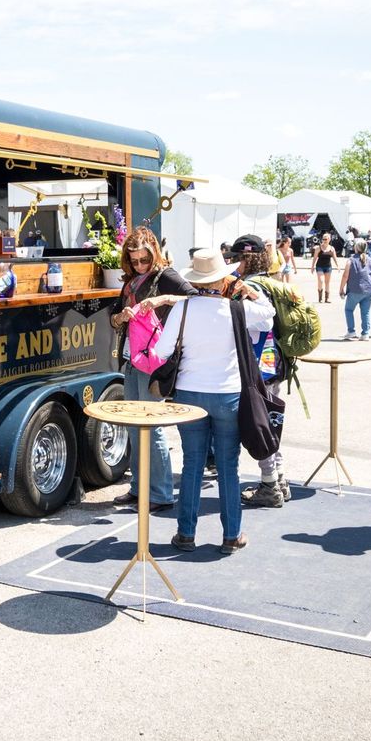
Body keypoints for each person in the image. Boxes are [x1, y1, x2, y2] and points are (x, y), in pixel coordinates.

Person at [152, 248, 262, 554]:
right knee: (229, 467)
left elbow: (160, 352)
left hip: (189, 395)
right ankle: (232, 535)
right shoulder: (236, 309)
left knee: (192, 465)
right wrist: (249, 292)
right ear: (222, 278)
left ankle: (185, 534)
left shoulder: (183, 309)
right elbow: (269, 316)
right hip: (227, 394)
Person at [107, 227, 196, 512]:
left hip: (154, 360)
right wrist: (122, 316)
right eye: (135, 261)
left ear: (154, 253)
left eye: (145, 259)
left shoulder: (166, 276)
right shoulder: (130, 281)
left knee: (152, 427)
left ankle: (159, 493)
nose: (140, 265)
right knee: (135, 425)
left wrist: (161, 300)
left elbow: (198, 299)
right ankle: (138, 488)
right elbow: (113, 319)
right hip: (132, 358)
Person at [223, 235, 286, 507]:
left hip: (256, 366)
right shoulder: (270, 281)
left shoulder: (248, 286)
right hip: (273, 363)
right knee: (271, 424)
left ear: (242, 259)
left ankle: (270, 485)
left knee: (260, 427)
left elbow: (258, 325)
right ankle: (280, 480)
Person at [339, 238, 371, 341]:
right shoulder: (370, 259)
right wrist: (369, 284)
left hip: (355, 289)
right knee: (366, 312)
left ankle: (351, 331)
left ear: (355, 247)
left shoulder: (351, 260)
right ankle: (365, 333)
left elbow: (345, 276)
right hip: (369, 290)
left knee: (349, 309)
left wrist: (341, 288)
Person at [311, 233, 338, 302]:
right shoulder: (318, 248)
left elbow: (335, 258)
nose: (324, 240)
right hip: (319, 266)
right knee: (321, 281)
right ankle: (320, 298)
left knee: (327, 282)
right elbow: (314, 258)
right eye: (323, 239)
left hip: (328, 267)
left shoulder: (332, 248)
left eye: (326, 239)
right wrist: (312, 267)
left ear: (329, 239)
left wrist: (338, 266)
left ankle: (327, 298)